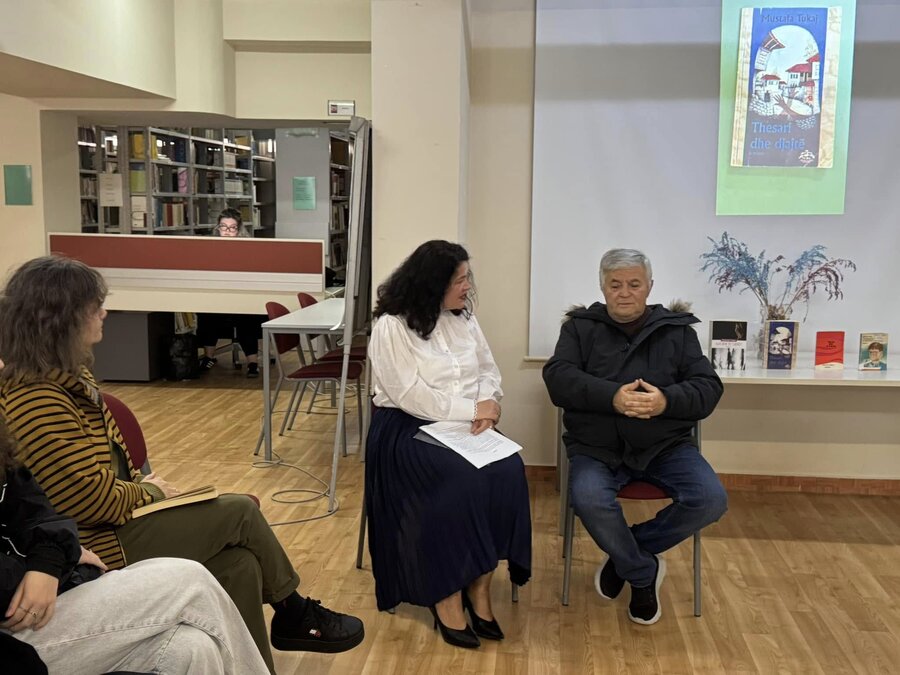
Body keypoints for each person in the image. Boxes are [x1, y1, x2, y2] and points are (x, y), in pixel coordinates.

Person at [0, 256, 364, 673]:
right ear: (62, 320)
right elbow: (89, 501)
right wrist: (150, 491)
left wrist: (140, 491)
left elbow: (103, 480)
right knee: (239, 512)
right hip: (101, 541)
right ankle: (294, 611)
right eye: (94, 306)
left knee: (240, 565)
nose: (104, 313)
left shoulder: (67, 379)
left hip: (117, 521)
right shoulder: (39, 396)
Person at [0, 408, 270, 675]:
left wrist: (50, 558)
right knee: (195, 578)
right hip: (21, 621)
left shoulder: (73, 395)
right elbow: (90, 501)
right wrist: (59, 558)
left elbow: (36, 510)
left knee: (192, 647)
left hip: (47, 586)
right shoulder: (39, 402)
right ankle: (289, 612)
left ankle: (290, 614)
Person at [542, 248, 727, 626]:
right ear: (602, 287)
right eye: (615, 285)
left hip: (666, 446)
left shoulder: (677, 331)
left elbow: (708, 388)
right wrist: (611, 396)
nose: (624, 293)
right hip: (597, 448)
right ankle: (642, 574)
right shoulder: (579, 328)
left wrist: (665, 401)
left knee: (710, 500)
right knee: (588, 498)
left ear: (649, 287)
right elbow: (558, 378)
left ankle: (625, 555)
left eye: (634, 284)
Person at [365, 240, 531, 649]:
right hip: (405, 427)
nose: (467, 287)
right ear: (432, 283)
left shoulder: (463, 318)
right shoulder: (391, 326)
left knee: (509, 470)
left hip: (463, 425)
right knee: (461, 479)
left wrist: (489, 404)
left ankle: (479, 583)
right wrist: (473, 408)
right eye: (459, 280)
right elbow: (409, 395)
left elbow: (488, 370)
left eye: (467, 277)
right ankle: (445, 592)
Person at [196, 208, 266, 377]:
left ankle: (252, 363)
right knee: (207, 314)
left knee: (246, 318)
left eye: (232, 228)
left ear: (239, 229)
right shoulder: (209, 248)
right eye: (223, 227)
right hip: (218, 297)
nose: (227, 231)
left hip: (243, 297)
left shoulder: (249, 249)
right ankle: (209, 357)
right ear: (218, 228)